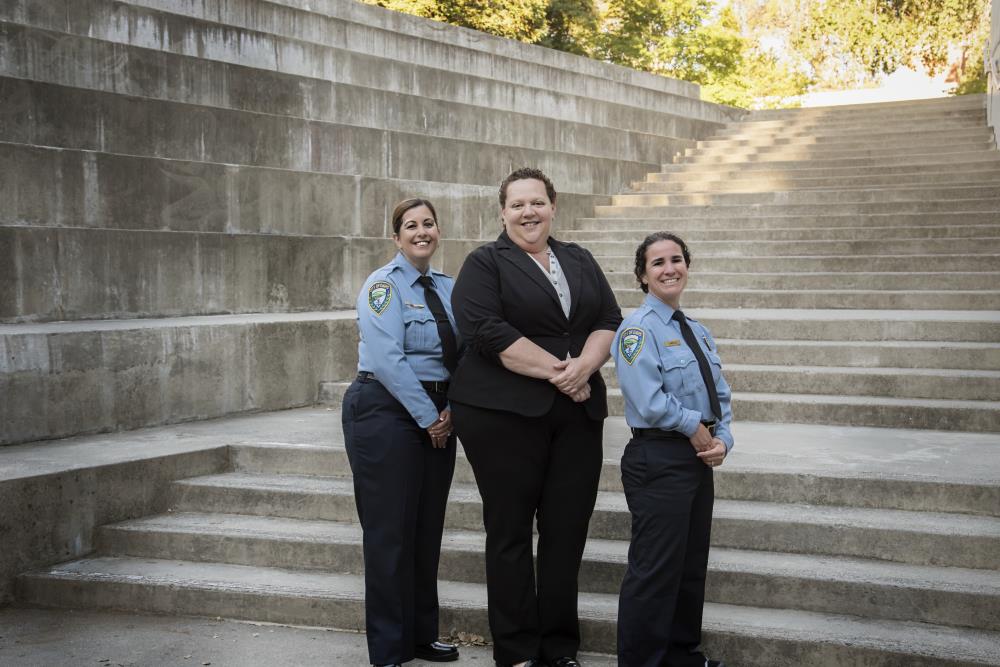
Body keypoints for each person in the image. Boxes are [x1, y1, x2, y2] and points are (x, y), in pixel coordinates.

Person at [448, 167, 623, 667]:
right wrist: (560, 373)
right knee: (510, 533)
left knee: (567, 533)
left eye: (538, 203)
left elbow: (609, 319)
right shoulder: (485, 263)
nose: (529, 212)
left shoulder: (578, 259)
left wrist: (585, 367)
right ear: (503, 212)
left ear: (553, 206)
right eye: (518, 204)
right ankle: (518, 650)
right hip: (502, 414)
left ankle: (560, 648)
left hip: (576, 413)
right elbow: (486, 330)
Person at [341, 198, 462, 667]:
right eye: (410, 226)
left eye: (428, 224)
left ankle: (420, 635)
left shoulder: (450, 289)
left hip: (439, 413)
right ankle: (390, 648)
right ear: (396, 237)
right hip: (383, 411)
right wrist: (429, 416)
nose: (421, 232)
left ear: (437, 231)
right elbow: (388, 358)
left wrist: (449, 409)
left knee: (426, 529)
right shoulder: (382, 287)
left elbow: (465, 355)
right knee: (390, 532)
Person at [611, 232, 733, 667]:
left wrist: (723, 439)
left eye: (676, 259)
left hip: (697, 458)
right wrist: (694, 428)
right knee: (655, 570)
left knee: (689, 565)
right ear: (642, 276)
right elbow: (647, 400)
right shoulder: (637, 330)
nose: (669, 269)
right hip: (658, 458)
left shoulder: (697, 331)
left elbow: (722, 397)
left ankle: (680, 655)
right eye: (657, 262)